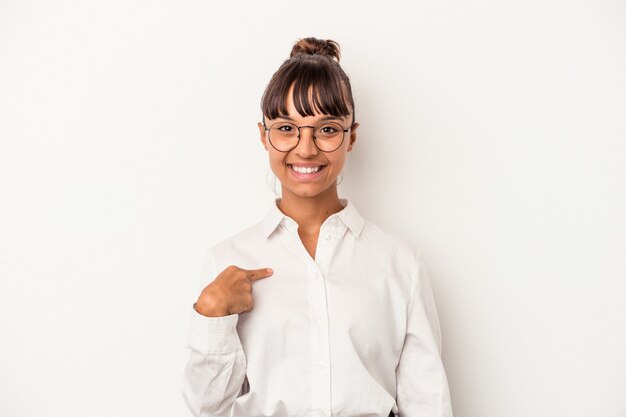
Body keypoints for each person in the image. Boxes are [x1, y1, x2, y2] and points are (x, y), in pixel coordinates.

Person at [181, 37, 453, 417]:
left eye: (326, 129)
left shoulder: (399, 263)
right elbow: (206, 409)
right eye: (287, 128)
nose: (305, 149)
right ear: (264, 136)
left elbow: (428, 405)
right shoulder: (226, 261)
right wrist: (210, 314)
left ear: (351, 137)